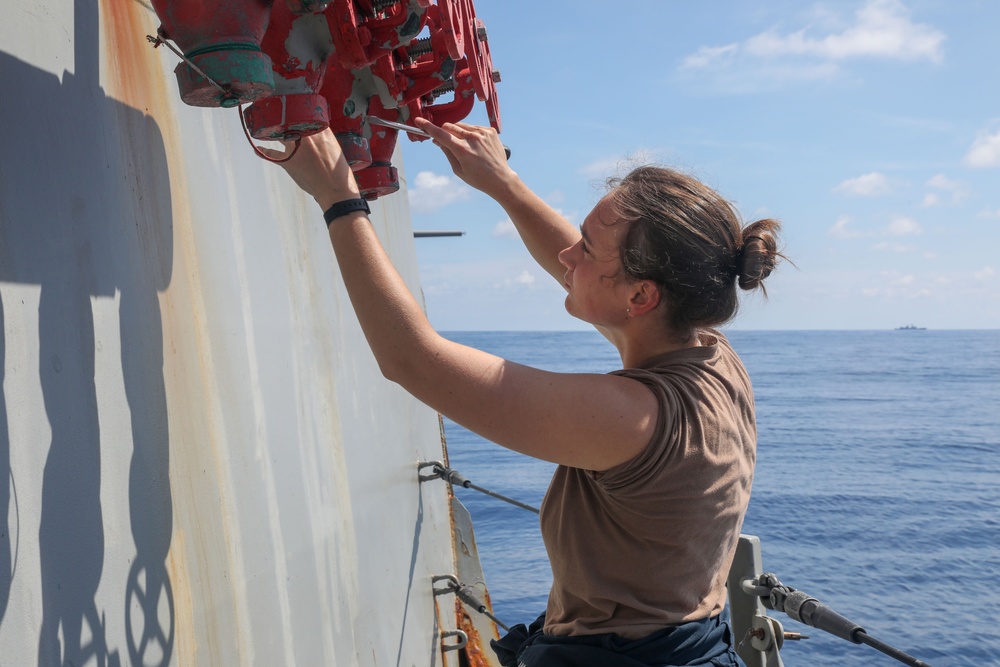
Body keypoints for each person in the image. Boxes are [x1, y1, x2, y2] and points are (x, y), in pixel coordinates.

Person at [265, 119, 782, 666]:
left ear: (641, 296)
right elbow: (585, 276)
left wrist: (339, 198)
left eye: (586, 248)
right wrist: (500, 182)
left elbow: (412, 360)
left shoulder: (632, 417)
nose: (568, 258)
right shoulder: (708, 351)